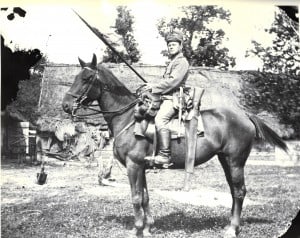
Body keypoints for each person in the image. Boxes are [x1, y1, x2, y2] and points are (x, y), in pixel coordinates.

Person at [144, 30, 189, 165]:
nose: (171, 46)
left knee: (160, 119)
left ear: (180, 46)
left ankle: (165, 155)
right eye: (169, 44)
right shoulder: (172, 62)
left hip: (174, 98)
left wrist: (154, 87)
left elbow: (173, 82)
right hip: (166, 97)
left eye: (174, 44)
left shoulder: (182, 62)